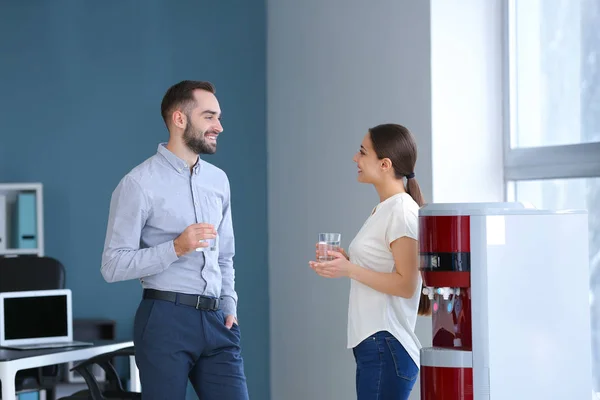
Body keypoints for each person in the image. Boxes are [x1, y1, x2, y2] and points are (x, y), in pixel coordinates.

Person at [101, 80, 248, 400]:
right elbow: (112, 266)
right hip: (166, 319)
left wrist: (228, 303)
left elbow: (225, 255)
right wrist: (176, 248)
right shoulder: (138, 184)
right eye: (209, 117)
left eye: (219, 117)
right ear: (180, 119)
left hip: (217, 321)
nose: (219, 126)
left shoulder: (218, 180)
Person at [309, 123, 432, 400]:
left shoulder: (401, 210)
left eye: (363, 152)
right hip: (376, 345)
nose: (355, 158)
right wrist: (347, 261)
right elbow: (384, 268)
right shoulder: (386, 209)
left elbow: (406, 285)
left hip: (385, 344)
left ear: (385, 164)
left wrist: (350, 269)